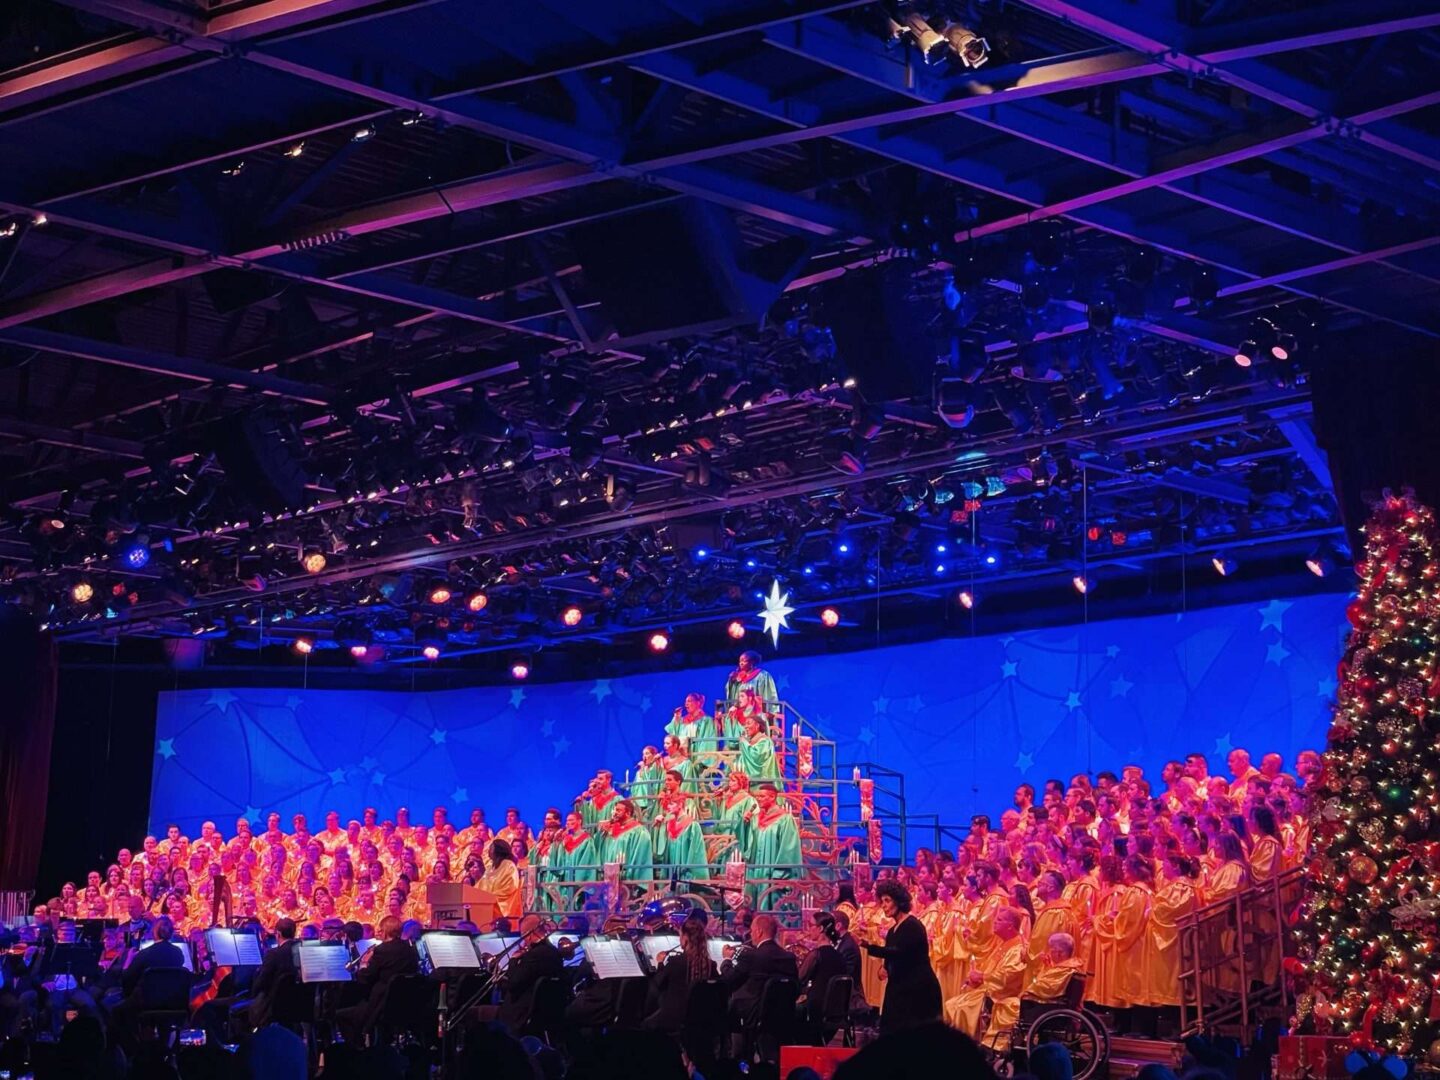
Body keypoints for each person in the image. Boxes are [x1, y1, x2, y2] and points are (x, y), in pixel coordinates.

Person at [863, 879, 942, 1033]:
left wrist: (867, 945)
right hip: (899, 989)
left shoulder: (913, 925)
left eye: (888, 900)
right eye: (882, 901)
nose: (884, 905)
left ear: (899, 901)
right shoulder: (892, 931)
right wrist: (883, 969)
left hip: (918, 990)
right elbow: (890, 958)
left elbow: (899, 953)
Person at [944, 906, 1027, 1046]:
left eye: (999, 920)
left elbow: (1008, 977)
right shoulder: (1003, 944)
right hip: (987, 990)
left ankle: (964, 1048)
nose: (994, 922)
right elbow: (989, 968)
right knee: (951, 1004)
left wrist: (982, 977)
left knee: (957, 1008)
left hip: (1000, 996)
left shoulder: (1018, 949)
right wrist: (974, 979)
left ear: (1010, 926)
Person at [719, 913, 798, 1046]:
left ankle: (734, 1056)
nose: (750, 934)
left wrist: (727, 959)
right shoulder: (788, 957)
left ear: (759, 932)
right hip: (783, 1016)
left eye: (751, 930)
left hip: (754, 1016)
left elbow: (728, 980)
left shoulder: (751, 956)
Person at [337, 915, 419, 1041]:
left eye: (381, 930)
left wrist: (364, 964)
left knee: (341, 1015)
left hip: (380, 1005)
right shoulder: (410, 949)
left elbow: (365, 979)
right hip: (404, 1003)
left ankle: (358, 1050)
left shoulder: (382, 950)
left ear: (386, 931)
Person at [643, 910, 716, 1033]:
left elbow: (657, 984)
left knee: (645, 1024)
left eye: (680, 935)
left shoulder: (676, 962)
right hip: (701, 1019)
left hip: (675, 1018)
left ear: (686, 939)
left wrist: (660, 963)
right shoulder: (711, 965)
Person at [497, 914, 564, 1033]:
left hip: (521, 1015)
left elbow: (513, 984)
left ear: (528, 934)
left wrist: (513, 960)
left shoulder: (533, 956)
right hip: (546, 1013)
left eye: (523, 935)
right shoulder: (555, 953)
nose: (523, 940)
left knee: (476, 1013)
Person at [745, 783, 802, 910]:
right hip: (759, 869)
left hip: (773, 872)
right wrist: (746, 825)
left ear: (772, 797)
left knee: (773, 904)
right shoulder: (757, 818)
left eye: (761, 796)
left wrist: (780, 872)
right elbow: (749, 842)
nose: (758, 799)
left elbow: (789, 848)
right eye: (757, 796)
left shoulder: (785, 819)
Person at [654, 771, 708, 883]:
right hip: (669, 841)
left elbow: (691, 822)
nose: (666, 782)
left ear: (678, 782)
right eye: (665, 780)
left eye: (669, 780)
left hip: (684, 839)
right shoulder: (663, 802)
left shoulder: (687, 801)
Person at [247, 916, 299, 1027]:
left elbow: (261, 982)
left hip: (274, 1006)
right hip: (299, 1004)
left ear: (278, 934)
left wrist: (251, 994)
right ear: (294, 933)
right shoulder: (303, 952)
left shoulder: (273, 954)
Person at [544, 810, 596, 913]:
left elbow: (586, 862)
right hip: (564, 883)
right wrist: (556, 842)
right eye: (567, 821)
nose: (568, 823)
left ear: (579, 821)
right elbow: (558, 862)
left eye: (571, 820)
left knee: (576, 909)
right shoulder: (566, 840)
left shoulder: (587, 840)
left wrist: (578, 881)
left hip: (577, 885)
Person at [599, 799, 654, 889]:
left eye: (618, 810)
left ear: (628, 813)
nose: (614, 813)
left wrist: (628, 873)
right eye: (615, 810)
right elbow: (600, 849)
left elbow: (640, 856)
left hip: (628, 880)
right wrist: (602, 833)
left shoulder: (639, 832)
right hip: (610, 877)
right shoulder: (611, 829)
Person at [482, 839, 523, 920]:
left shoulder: (509, 865)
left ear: (498, 851)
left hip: (504, 909)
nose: (488, 851)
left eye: (491, 848)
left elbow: (510, 888)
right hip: (489, 905)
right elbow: (481, 886)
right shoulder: (490, 868)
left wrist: (489, 897)